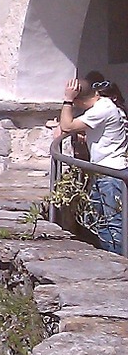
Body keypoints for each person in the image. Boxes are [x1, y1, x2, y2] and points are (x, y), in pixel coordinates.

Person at [59, 78, 128, 255]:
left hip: (110, 173)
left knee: (113, 223)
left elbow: (66, 126)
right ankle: (111, 259)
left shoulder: (102, 109)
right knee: (101, 221)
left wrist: (67, 100)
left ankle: (119, 264)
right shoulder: (103, 106)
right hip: (104, 171)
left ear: (78, 100)